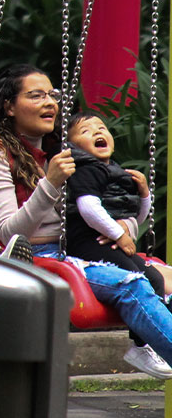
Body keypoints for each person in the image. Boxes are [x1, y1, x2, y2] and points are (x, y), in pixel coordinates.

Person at [0, 63, 172, 379]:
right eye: (36, 96)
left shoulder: (67, 150)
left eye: (52, 95)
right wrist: (49, 185)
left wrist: (124, 229)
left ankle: (149, 347)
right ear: (9, 106)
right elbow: (10, 232)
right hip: (39, 256)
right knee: (132, 286)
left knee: (168, 279)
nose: (49, 103)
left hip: (86, 248)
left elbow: (110, 211)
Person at [64, 111, 172, 294]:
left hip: (109, 242)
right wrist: (119, 235)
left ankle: (158, 318)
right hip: (89, 241)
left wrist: (144, 194)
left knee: (154, 278)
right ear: (72, 146)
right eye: (85, 131)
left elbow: (135, 217)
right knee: (138, 280)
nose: (97, 132)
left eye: (101, 128)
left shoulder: (114, 171)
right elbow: (88, 208)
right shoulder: (84, 170)